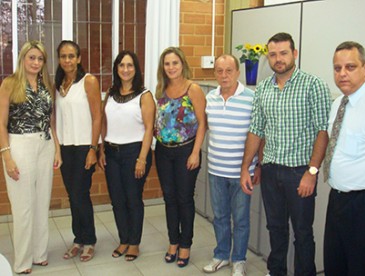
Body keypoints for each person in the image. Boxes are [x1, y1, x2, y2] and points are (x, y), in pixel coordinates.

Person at [240, 32, 331, 276]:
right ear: (267, 57)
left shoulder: (314, 85)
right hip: (270, 170)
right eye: (273, 54)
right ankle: (276, 271)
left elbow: (323, 131)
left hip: (300, 171)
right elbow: (256, 130)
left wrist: (312, 172)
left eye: (283, 53)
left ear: (295, 54)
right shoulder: (263, 89)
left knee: (302, 232)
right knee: (276, 228)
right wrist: (247, 167)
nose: (278, 59)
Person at [323, 41, 365, 276]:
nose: (342, 74)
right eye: (337, 68)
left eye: (350, 67)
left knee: (362, 270)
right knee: (335, 266)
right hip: (338, 200)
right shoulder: (339, 103)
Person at [0, 40, 62, 274]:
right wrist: (6, 156)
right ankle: (23, 261)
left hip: (44, 145)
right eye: (31, 58)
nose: (35, 62)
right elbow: (1, 124)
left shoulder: (47, 84)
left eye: (40, 59)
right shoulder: (9, 84)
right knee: (23, 206)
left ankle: (39, 253)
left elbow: (51, 121)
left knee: (41, 202)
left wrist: (57, 148)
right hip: (19, 145)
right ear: (23, 58)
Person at [202, 54, 258, 276]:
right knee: (220, 217)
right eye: (219, 71)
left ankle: (239, 260)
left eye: (228, 70)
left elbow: (258, 134)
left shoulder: (251, 98)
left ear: (237, 72)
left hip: (242, 173)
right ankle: (222, 255)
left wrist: (258, 166)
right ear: (214, 73)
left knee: (241, 219)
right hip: (216, 170)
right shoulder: (210, 98)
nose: (223, 75)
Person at [98, 50, 155, 261]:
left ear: (136, 69)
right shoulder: (110, 93)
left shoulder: (144, 95)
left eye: (130, 65)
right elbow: (105, 123)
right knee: (117, 200)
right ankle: (123, 239)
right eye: (121, 65)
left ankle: (134, 243)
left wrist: (142, 158)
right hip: (112, 152)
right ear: (116, 68)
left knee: (132, 199)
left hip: (135, 153)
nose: (125, 69)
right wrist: (101, 149)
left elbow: (149, 129)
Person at [154, 46, 206, 268]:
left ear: (182, 64)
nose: (171, 67)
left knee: (184, 198)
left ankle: (185, 244)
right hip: (163, 151)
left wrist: (195, 152)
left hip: (187, 150)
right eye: (167, 64)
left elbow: (203, 123)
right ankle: (173, 241)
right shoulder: (161, 89)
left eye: (175, 63)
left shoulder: (192, 89)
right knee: (169, 198)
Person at [55, 40, 102, 262]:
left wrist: (93, 148)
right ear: (59, 59)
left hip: (84, 147)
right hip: (66, 148)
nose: (67, 60)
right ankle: (78, 238)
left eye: (71, 56)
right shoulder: (59, 84)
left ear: (79, 58)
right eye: (63, 56)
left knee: (81, 194)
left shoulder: (88, 81)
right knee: (72, 195)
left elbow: (97, 116)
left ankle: (89, 240)